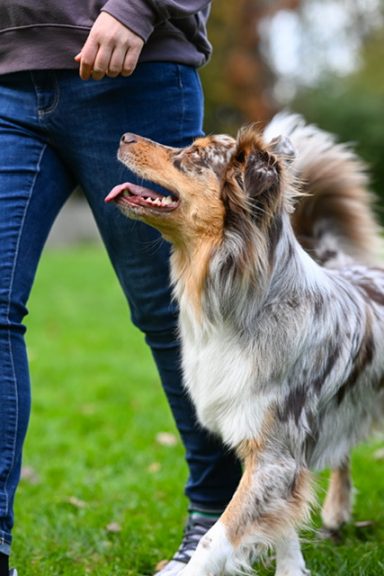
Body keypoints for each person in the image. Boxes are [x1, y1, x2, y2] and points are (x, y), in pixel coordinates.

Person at [0, 2, 243, 575]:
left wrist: (137, 7)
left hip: (136, 68)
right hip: (8, 76)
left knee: (175, 311)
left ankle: (219, 514)